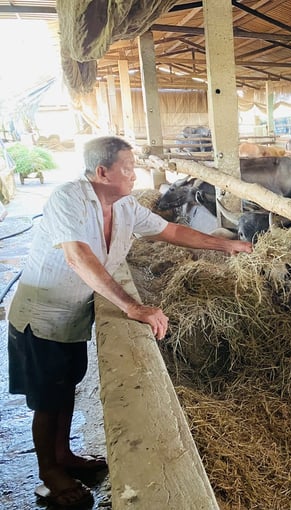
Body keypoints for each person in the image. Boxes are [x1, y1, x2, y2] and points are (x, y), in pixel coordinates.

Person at [6, 136, 252, 508]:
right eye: (128, 168)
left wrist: (226, 245)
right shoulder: (67, 199)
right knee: (47, 397)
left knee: (66, 386)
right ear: (102, 171)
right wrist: (130, 305)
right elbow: (78, 257)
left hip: (73, 316)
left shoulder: (124, 206)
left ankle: (65, 454)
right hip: (42, 316)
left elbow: (171, 231)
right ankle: (49, 471)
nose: (135, 175)